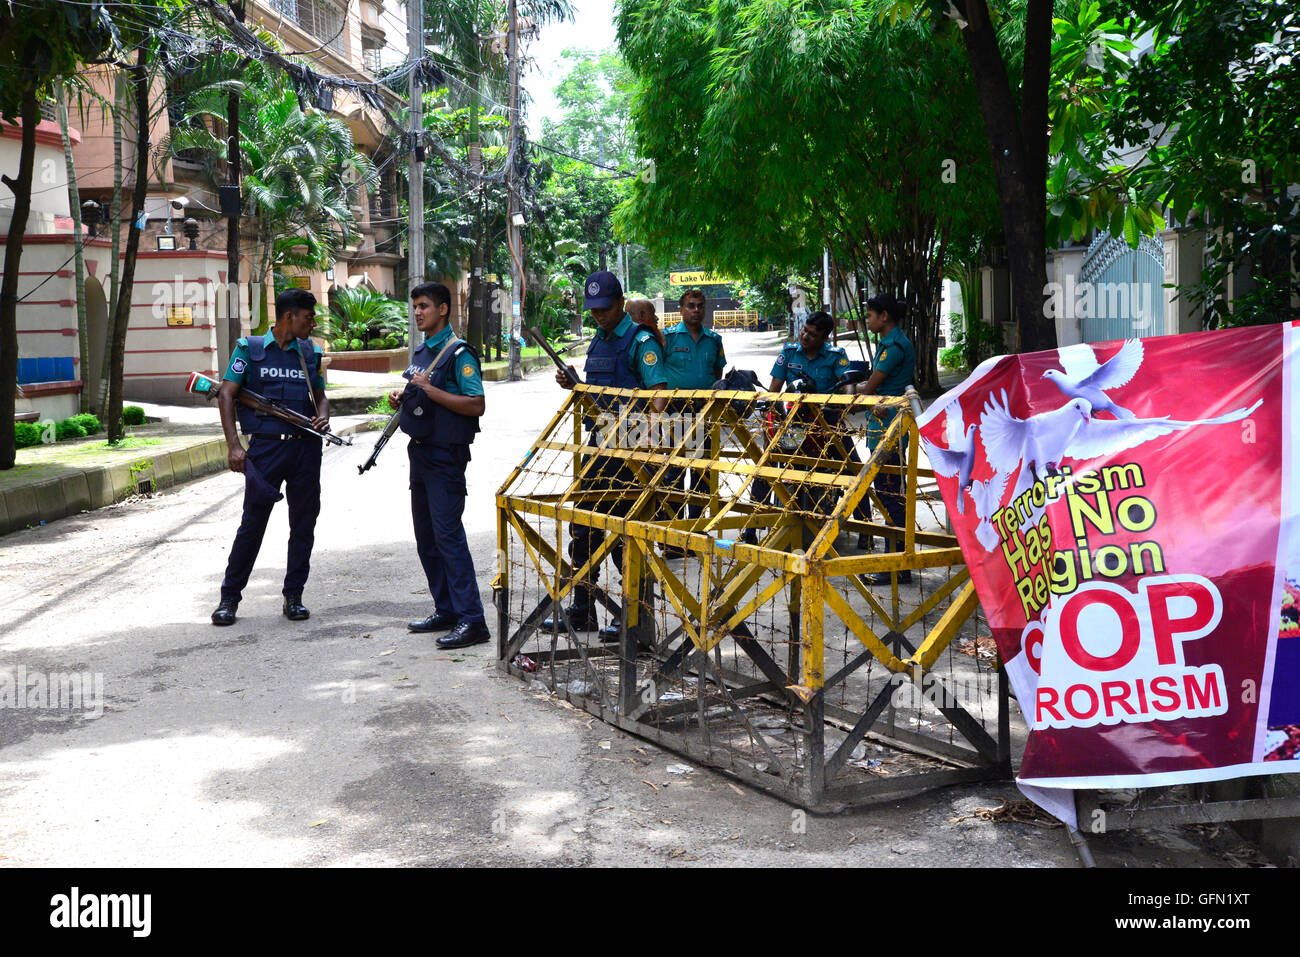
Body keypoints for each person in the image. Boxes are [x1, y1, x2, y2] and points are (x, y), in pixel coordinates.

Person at [544, 270, 667, 640]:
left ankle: (635, 618)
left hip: (631, 451)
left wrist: (646, 437)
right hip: (599, 447)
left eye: (604, 308)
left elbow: (658, 394)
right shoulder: (598, 341)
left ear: (620, 302)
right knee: (583, 527)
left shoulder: (639, 340)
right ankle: (583, 609)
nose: (598, 315)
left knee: (625, 534)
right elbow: (594, 394)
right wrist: (573, 385)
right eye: (593, 309)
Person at [211, 288, 330, 626]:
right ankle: (229, 599)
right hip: (265, 448)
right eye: (308, 318)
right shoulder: (250, 349)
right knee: (253, 524)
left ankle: (294, 596)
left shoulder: (309, 352)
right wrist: (234, 446)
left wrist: (323, 416)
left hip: (306, 448)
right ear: (289, 317)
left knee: (303, 523)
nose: (312, 323)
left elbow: (320, 397)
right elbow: (227, 395)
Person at [390, 281, 490, 649]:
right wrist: (405, 396)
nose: (418, 312)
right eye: (415, 306)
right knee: (427, 537)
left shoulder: (459, 353)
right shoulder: (422, 350)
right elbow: (422, 395)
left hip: (446, 455)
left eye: (424, 306)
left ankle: (473, 620)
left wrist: (428, 390)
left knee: (448, 536)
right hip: (420, 452)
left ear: (443, 309)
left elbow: (475, 403)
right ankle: (446, 608)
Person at [741, 310, 857, 545]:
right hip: (791, 425)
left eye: (812, 335)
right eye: (804, 330)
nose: (805, 336)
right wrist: (767, 415)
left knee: (855, 468)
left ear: (824, 337)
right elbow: (774, 389)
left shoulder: (836, 355)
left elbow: (849, 385)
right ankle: (751, 528)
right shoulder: (789, 351)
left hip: (826, 425)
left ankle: (866, 530)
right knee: (766, 467)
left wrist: (847, 403)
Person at [850, 293, 916, 584]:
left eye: (870, 315)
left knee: (891, 496)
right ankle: (897, 562)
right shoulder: (889, 343)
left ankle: (898, 564)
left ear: (884, 316)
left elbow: (871, 385)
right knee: (889, 493)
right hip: (883, 426)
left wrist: (857, 389)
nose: (868, 320)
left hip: (892, 427)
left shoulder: (894, 347)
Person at [662, 288, 726, 529]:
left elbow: (717, 373)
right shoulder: (667, 338)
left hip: (705, 412)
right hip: (675, 412)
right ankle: (674, 531)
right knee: (675, 472)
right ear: (681, 309)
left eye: (700, 306)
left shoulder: (714, 340)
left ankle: (696, 528)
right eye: (691, 305)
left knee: (702, 471)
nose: (696, 310)